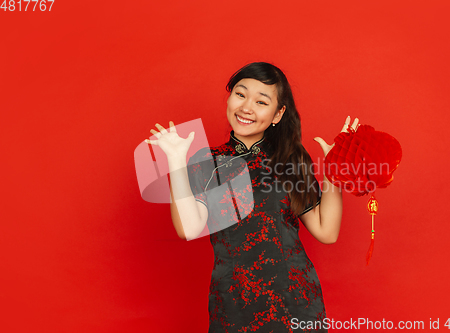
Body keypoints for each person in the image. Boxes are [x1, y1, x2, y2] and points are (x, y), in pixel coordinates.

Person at [145, 62, 359, 332]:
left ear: (278, 114)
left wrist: (333, 173)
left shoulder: (291, 159)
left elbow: (326, 231)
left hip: (294, 300)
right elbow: (188, 229)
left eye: (261, 101)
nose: (246, 107)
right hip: (234, 303)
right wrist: (176, 161)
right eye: (240, 94)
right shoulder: (207, 161)